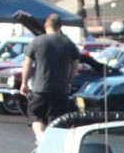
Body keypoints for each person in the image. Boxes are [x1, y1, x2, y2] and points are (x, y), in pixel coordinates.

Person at [19, 13, 81, 141]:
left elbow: (27, 64)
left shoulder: (37, 41)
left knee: (36, 114)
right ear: (61, 26)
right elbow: (75, 66)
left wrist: (24, 83)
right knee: (56, 119)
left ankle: (41, 137)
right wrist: (69, 82)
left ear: (46, 24)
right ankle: (50, 141)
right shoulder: (68, 44)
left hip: (40, 88)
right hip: (60, 90)